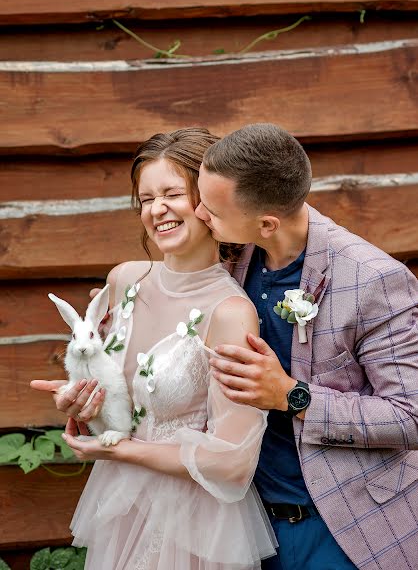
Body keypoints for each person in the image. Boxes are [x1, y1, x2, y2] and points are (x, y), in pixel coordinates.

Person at [31, 128, 277, 570]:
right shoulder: (124, 280)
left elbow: (233, 462)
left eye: (172, 193)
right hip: (120, 506)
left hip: (191, 523)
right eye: (146, 198)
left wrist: (119, 450)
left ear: (208, 202)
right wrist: (82, 403)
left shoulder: (230, 314)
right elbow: (118, 397)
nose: (157, 209)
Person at [195, 123, 418, 570]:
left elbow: (410, 416)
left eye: (212, 211)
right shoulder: (234, 260)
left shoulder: (372, 279)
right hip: (248, 528)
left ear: (266, 223)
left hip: (344, 528)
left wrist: (291, 396)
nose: (200, 214)